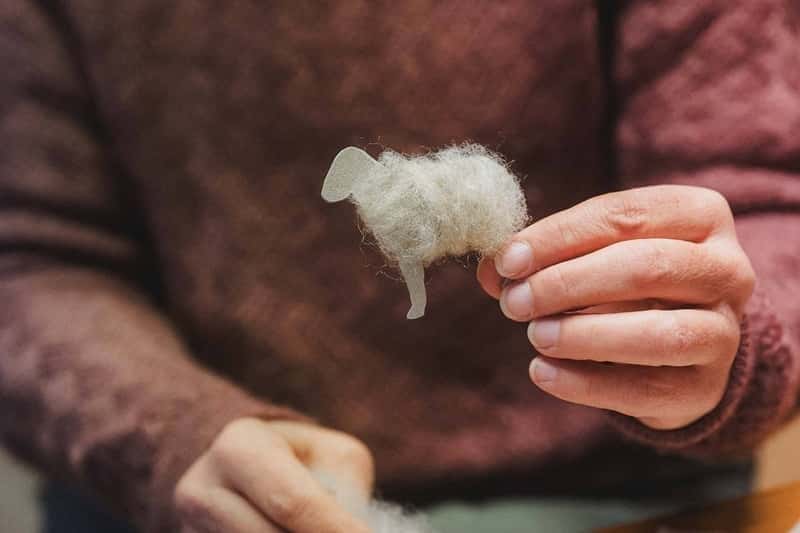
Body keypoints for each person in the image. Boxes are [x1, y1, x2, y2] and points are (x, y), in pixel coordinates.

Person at [1, 1, 798, 532]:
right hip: (198, 493)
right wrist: (171, 430)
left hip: (610, 493)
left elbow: (767, 200)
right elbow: (29, 261)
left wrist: (719, 330)